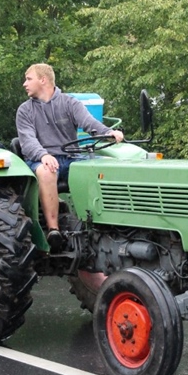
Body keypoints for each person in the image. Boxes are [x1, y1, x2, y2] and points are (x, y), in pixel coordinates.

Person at [16, 63, 123, 251]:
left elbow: (89, 123)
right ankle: (53, 230)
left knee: (106, 167)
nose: (25, 84)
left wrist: (108, 132)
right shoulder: (25, 110)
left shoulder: (69, 103)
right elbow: (28, 141)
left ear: (43, 80)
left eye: (29, 79)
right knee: (47, 171)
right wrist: (43, 155)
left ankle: (109, 224)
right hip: (39, 159)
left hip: (71, 157)